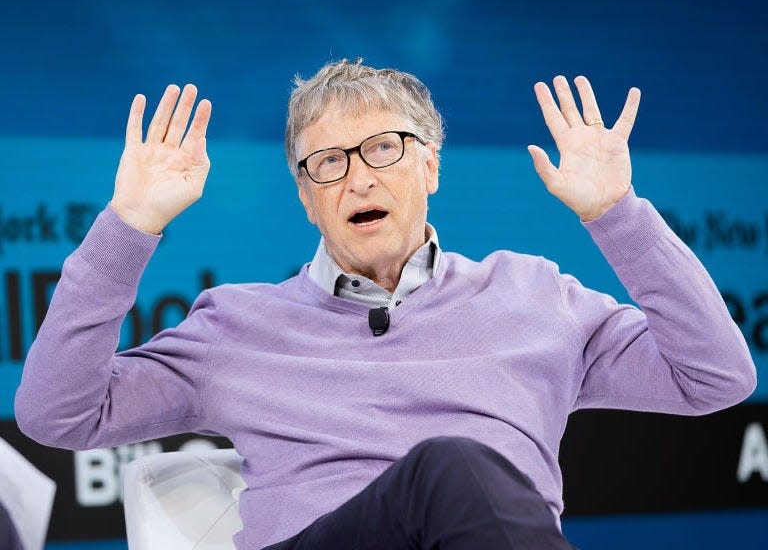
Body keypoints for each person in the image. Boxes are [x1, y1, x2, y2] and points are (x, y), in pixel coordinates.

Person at [15, 60, 756, 549]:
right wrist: (128, 228)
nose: (358, 179)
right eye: (328, 164)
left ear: (431, 164)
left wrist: (618, 213)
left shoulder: (535, 296)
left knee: (461, 476)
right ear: (306, 198)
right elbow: (58, 413)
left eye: (384, 149)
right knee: (453, 468)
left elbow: (716, 377)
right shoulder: (235, 325)